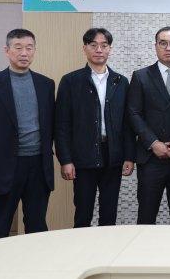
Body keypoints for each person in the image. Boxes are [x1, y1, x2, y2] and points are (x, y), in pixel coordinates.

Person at [0, 29, 55, 239]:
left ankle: (36, 261)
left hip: (38, 165)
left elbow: (52, 125)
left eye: (29, 48)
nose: (24, 53)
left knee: (37, 225)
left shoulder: (46, 84)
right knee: (0, 224)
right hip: (4, 165)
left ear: (34, 50)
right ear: (7, 50)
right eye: (18, 47)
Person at [54, 28, 135, 228]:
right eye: (93, 45)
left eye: (104, 45)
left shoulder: (121, 82)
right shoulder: (70, 81)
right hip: (83, 155)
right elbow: (61, 124)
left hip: (112, 155)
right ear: (85, 48)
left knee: (109, 212)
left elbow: (127, 124)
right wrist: (65, 160)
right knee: (83, 212)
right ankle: (83, 248)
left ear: (110, 49)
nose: (99, 50)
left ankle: (106, 248)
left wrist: (129, 156)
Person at [127, 26, 170, 224]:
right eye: (163, 43)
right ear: (155, 46)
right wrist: (153, 142)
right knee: (146, 216)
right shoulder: (140, 76)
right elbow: (133, 113)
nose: (168, 48)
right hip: (150, 159)